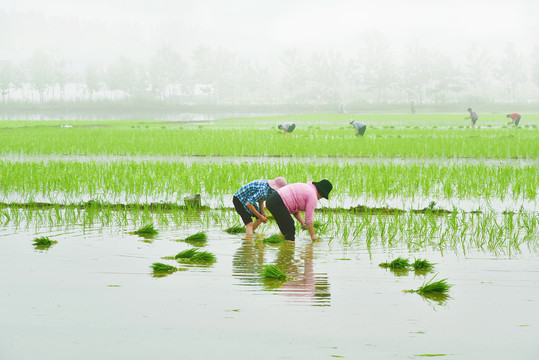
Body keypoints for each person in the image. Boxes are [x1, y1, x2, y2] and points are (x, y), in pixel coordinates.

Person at [266, 179, 333, 242]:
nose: (320, 199)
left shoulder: (307, 188)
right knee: (290, 229)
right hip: (277, 202)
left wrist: (302, 222)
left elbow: (295, 210)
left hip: (272, 200)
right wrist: (313, 236)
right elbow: (309, 220)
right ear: (321, 194)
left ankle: (283, 246)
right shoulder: (313, 196)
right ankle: (288, 251)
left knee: (286, 228)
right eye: (322, 197)